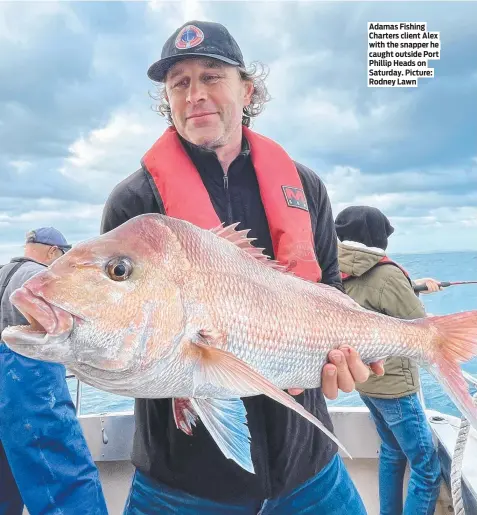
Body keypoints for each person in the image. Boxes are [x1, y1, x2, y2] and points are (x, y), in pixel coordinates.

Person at [101, 20, 384, 514]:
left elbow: (332, 294)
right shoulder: (134, 202)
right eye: (180, 83)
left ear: (246, 89)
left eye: (212, 76)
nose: (196, 95)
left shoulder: (306, 186)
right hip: (181, 485)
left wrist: (345, 365)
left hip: (310, 470)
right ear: (167, 98)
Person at [334, 205, 442, 515]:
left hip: (367, 382)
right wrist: (414, 292)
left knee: (392, 453)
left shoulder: (335, 271)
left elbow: (371, 301)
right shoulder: (388, 274)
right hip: (396, 386)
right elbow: (419, 326)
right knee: (427, 468)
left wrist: (412, 286)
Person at [0, 227, 108, 515]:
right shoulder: (42, 278)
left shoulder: (2, 271)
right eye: (61, 254)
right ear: (52, 251)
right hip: (30, 379)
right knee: (61, 475)